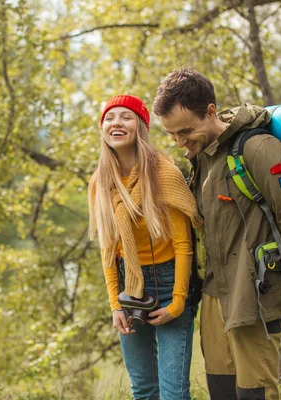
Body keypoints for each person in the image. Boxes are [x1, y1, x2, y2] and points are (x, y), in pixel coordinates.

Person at [152, 68, 281, 400]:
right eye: (172, 135)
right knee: (222, 391)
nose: (181, 142)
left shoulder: (258, 148)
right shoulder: (202, 159)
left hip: (255, 293)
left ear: (211, 112)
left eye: (186, 131)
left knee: (256, 393)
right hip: (214, 295)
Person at [88, 94, 203, 400]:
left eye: (125, 117)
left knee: (174, 393)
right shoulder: (101, 182)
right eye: (109, 118)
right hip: (130, 285)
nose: (116, 123)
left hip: (169, 282)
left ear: (140, 126)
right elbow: (108, 250)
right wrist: (116, 304)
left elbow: (183, 244)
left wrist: (178, 302)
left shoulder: (163, 173)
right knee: (143, 390)